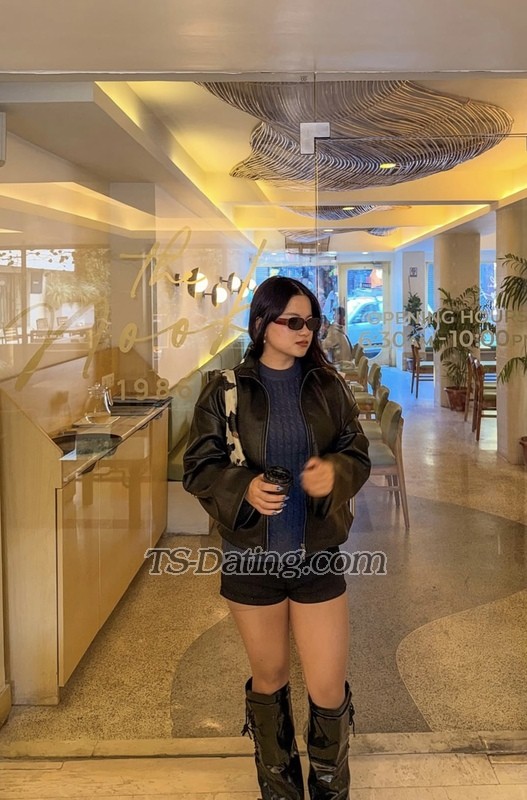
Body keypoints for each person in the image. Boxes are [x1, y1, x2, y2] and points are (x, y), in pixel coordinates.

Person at [183, 276, 370, 800]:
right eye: (293, 321)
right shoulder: (225, 389)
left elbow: (356, 452)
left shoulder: (329, 386)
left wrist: (336, 472)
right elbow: (199, 467)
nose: (305, 330)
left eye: (311, 321)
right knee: (269, 681)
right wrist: (243, 487)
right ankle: (278, 787)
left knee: (327, 688)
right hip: (251, 562)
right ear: (263, 324)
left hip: (317, 556)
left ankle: (330, 788)